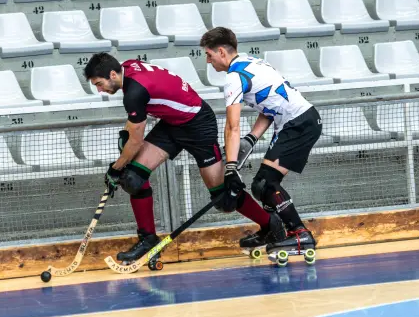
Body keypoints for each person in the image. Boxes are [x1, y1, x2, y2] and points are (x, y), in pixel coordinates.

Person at [84, 53, 286, 263]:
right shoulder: (128, 69)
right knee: (133, 179)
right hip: (172, 124)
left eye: (99, 84)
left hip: (198, 125)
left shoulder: (134, 91)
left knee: (224, 198)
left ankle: (271, 224)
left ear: (113, 74)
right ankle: (148, 240)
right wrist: (124, 155)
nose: (100, 90)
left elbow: (135, 142)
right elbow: (132, 131)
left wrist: (115, 168)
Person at [199, 27, 322, 255]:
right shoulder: (252, 62)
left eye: (209, 55)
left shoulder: (234, 78)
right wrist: (252, 138)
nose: (208, 61)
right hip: (298, 121)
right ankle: (275, 231)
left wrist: (231, 168)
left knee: (266, 185)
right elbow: (269, 105)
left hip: (298, 124)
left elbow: (232, 126)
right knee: (260, 186)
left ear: (222, 52)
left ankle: (300, 234)